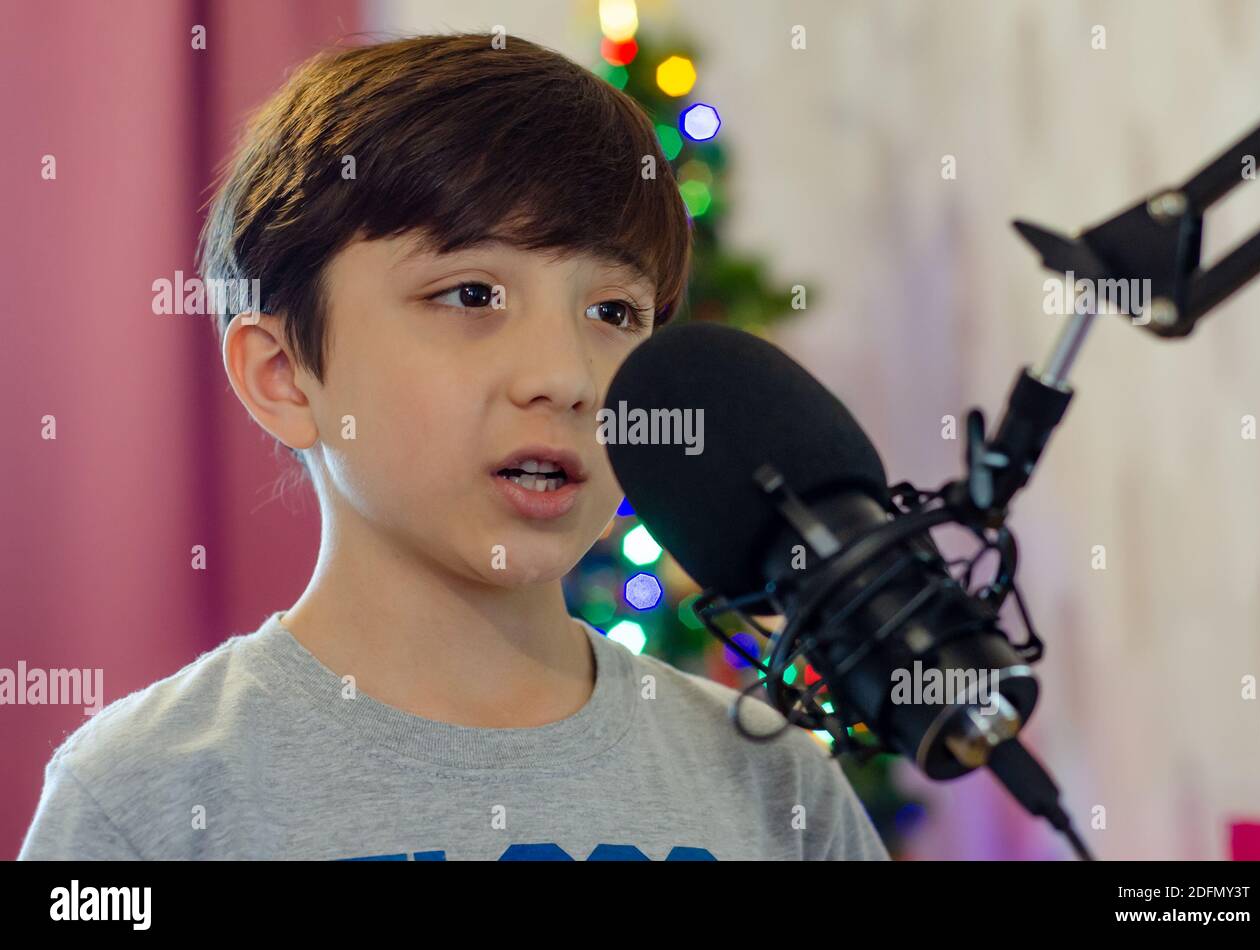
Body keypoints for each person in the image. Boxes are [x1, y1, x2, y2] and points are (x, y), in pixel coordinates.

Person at [19, 32, 889, 861]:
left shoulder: (776, 779)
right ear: (283, 373)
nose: (564, 375)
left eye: (614, 313)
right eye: (471, 293)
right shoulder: (139, 798)